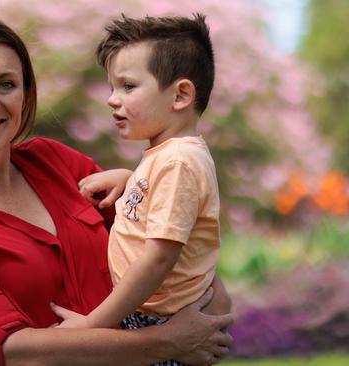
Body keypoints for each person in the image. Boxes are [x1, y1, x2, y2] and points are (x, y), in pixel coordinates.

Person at [0, 10, 232, 366]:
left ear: (24, 95)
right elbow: (13, 352)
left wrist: (204, 314)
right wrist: (166, 342)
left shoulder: (56, 163)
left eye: (6, 84)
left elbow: (169, 252)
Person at [52, 13, 222, 366]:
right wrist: (131, 180)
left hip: (160, 321)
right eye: (113, 87)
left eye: (128, 87)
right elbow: (166, 201)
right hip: (152, 315)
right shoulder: (170, 156)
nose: (113, 99)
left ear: (181, 95)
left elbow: (159, 258)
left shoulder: (177, 162)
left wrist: (92, 324)